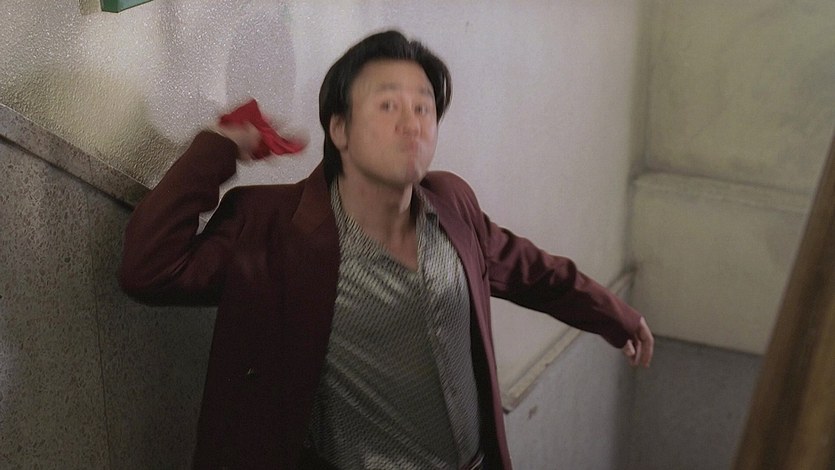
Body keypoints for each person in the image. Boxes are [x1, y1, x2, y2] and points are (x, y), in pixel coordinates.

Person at [119, 30, 653, 470]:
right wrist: (221, 146)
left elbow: (535, 273)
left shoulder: (451, 204)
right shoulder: (271, 227)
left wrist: (616, 316)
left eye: (424, 107)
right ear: (340, 129)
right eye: (389, 105)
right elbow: (151, 269)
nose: (412, 122)